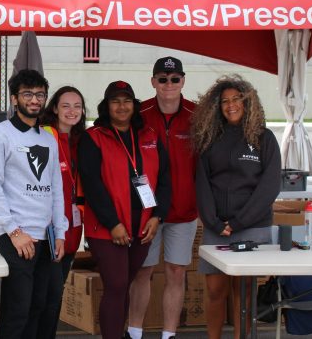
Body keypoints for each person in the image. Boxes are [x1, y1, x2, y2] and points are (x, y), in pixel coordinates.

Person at [0, 69, 68, 339]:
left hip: (46, 236)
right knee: (17, 309)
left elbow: (56, 189)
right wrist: (13, 231)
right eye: (28, 94)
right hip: (15, 234)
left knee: (37, 306)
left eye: (40, 94)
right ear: (14, 98)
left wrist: (60, 233)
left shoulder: (48, 138)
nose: (35, 100)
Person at [78, 81, 171, 339]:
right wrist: (113, 223)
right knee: (116, 285)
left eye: (126, 101)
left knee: (124, 285)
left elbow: (164, 179)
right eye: (115, 101)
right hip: (107, 229)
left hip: (142, 227)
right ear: (106, 106)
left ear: (134, 105)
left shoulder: (149, 135)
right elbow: (92, 184)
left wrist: (157, 216)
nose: (121, 106)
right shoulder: (93, 137)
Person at [192, 74, 281, 339]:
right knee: (216, 291)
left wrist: (239, 222)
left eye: (236, 100)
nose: (230, 105)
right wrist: (214, 222)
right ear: (217, 107)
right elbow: (202, 184)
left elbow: (269, 187)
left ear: (248, 102)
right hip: (216, 228)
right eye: (224, 101)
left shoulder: (264, 138)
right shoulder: (210, 138)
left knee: (243, 296)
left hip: (252, 227)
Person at [127, 57, 197, 339]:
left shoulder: (198, 113)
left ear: (183, 80)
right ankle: (134, 331)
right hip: (147, 212)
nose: (169, 84)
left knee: (176, 273)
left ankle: (169, 334)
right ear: (153, 81)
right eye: (163, 78)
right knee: (143, 272)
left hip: (184, 211)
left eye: (175, 79)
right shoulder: (139, 113)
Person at [38, 86, 87, 339]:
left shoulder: (82, 140)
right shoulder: (45, 136)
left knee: (55, 293)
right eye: (65, 105)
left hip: (73, 227)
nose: (71, 111)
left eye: (77, 106)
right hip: (48, 226)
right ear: (54, 108)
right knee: (48, 292)